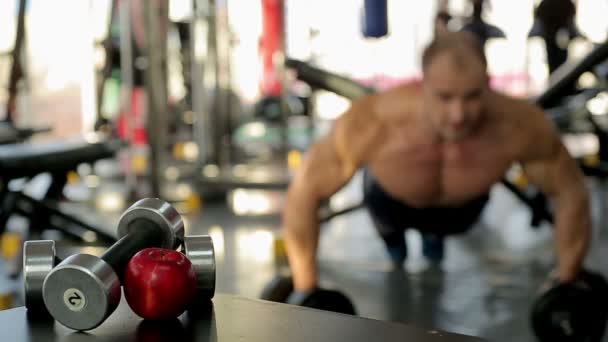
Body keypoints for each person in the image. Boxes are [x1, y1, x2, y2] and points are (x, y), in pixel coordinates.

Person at [282, 31, 591, 293]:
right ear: (422, 84)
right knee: (397, 259)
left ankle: (433, 239)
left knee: (434, 249)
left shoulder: (520, 125)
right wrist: (306, 289)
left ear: (488, 82)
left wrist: (567, 280)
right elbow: (305, 191)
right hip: (390, 207)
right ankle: (398, 246)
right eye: (444, 97)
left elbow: (570, 192)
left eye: (472, 96)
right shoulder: (373, 121)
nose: (458, 115)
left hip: (461, 214)